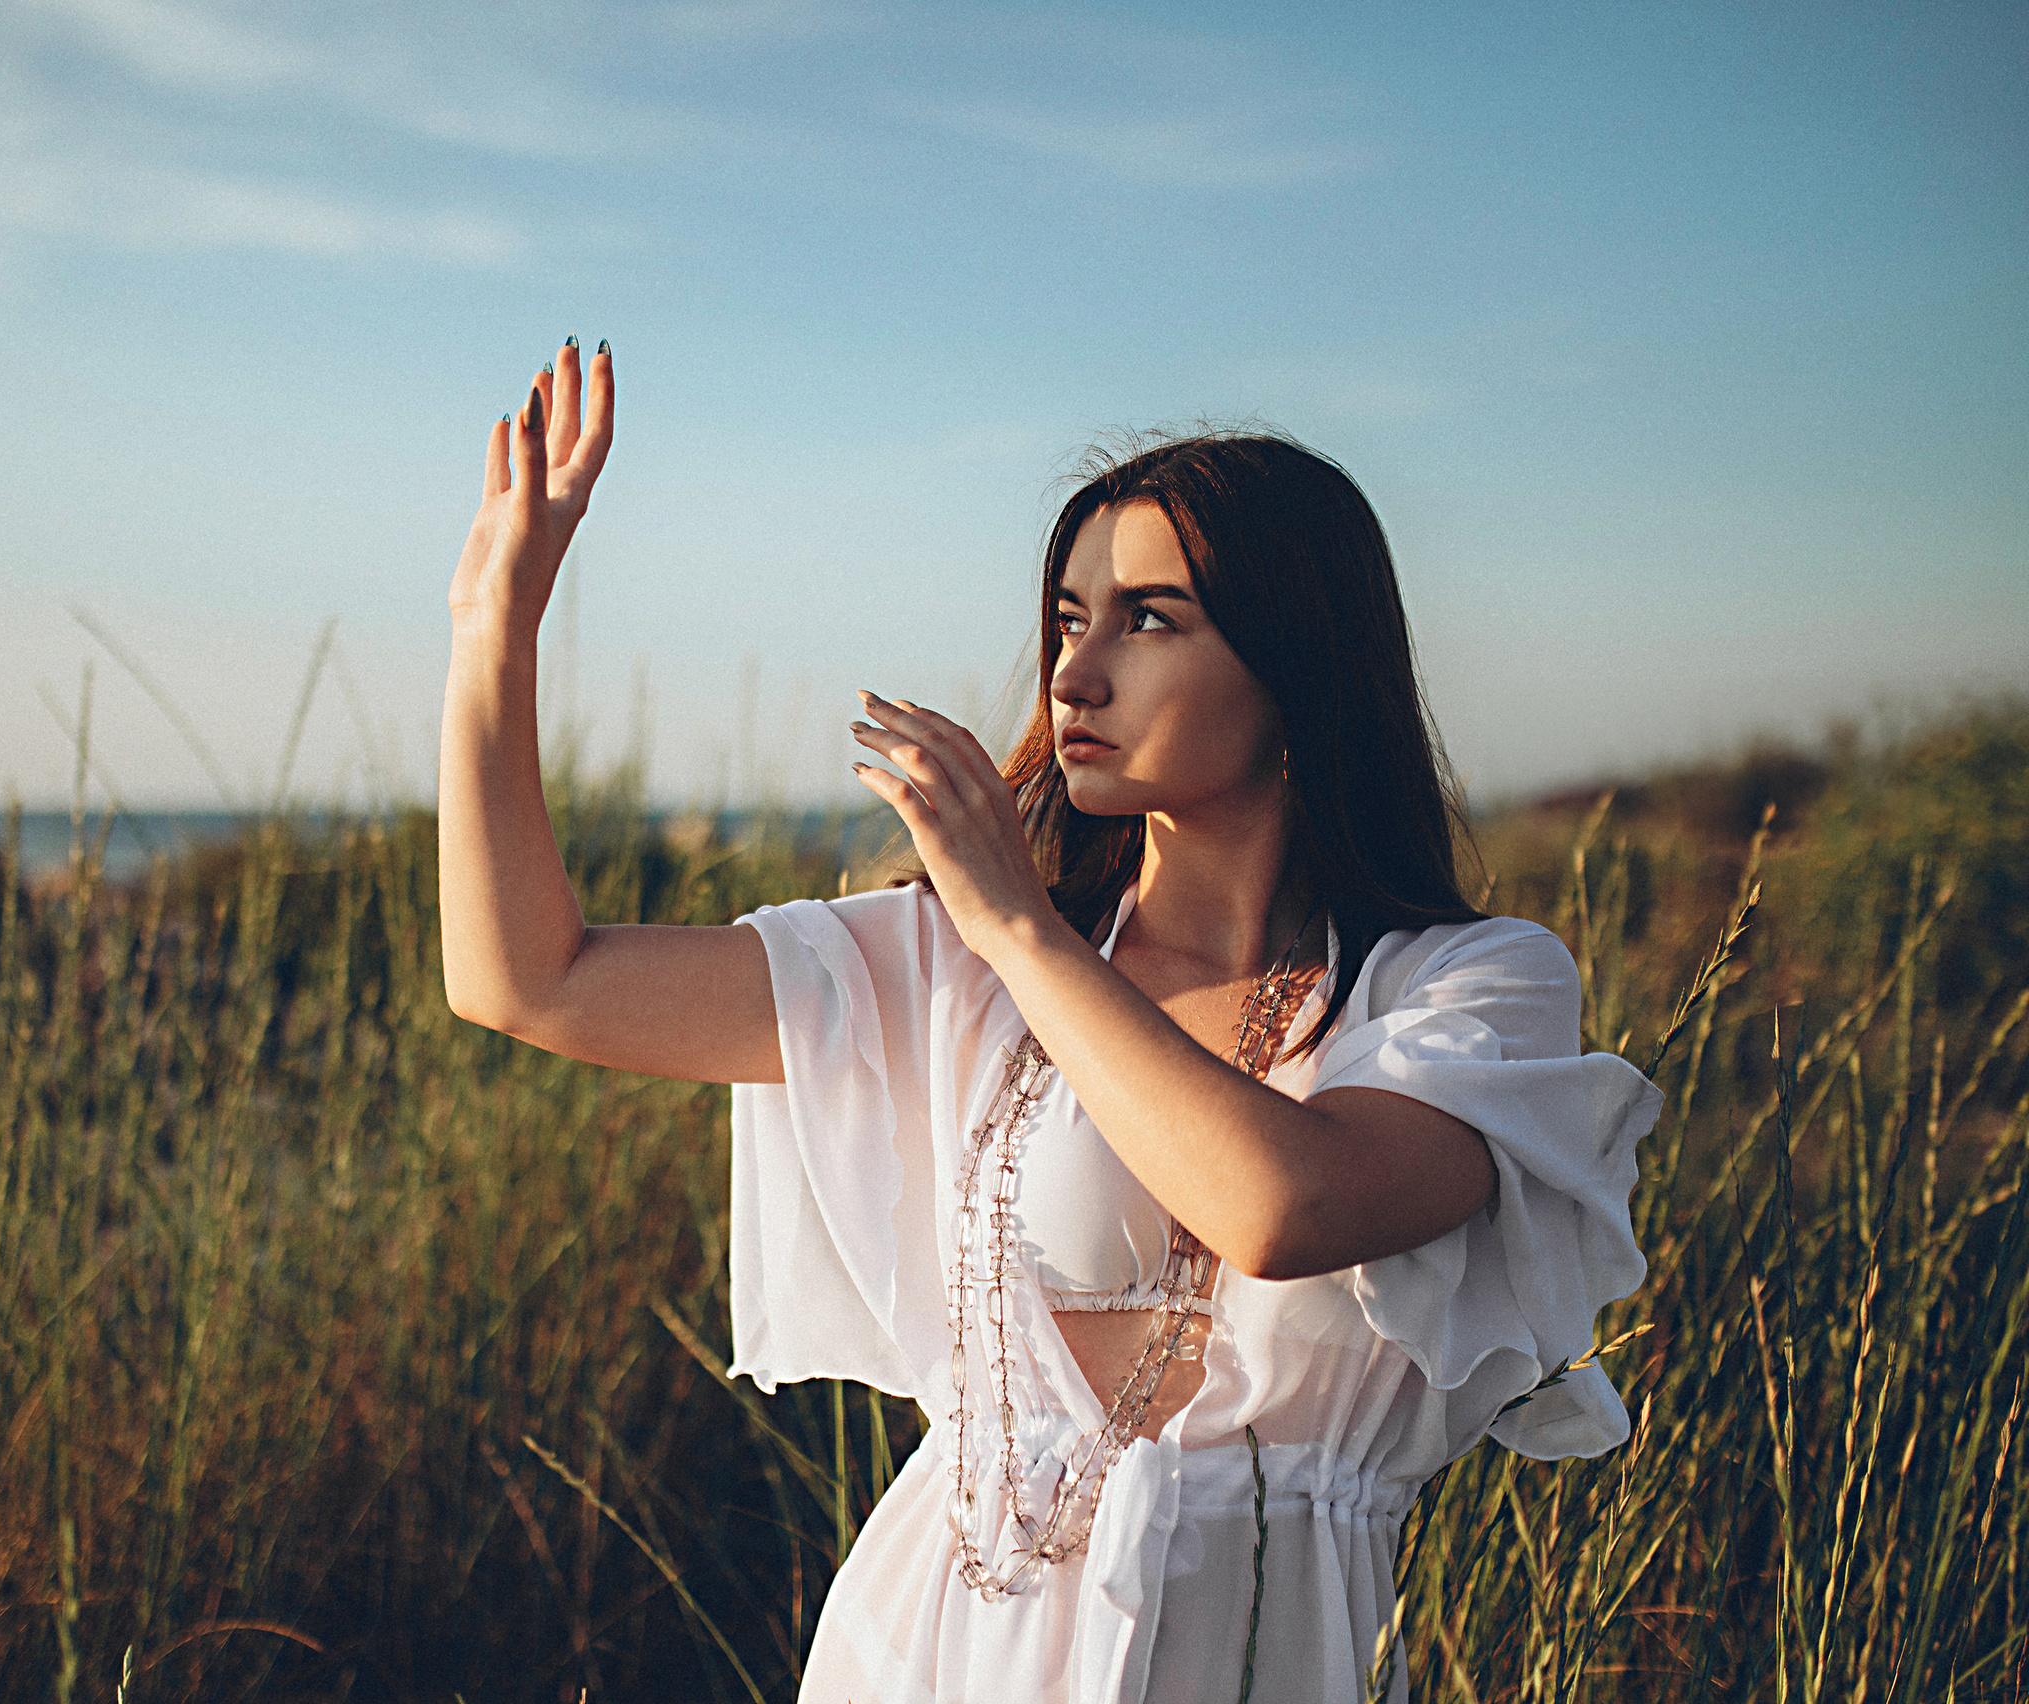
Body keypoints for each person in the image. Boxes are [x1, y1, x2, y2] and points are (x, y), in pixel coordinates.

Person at [438, 339, 1661, 1703]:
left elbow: (1282, 1207)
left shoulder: (1463, 989)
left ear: (1299, 665)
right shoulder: (950, 961)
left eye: (1150, 619)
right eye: (1068, 620)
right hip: (933, 1655)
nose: (1077, 675)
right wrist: (496, 622)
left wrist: (1018, 923)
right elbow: (527, 980)